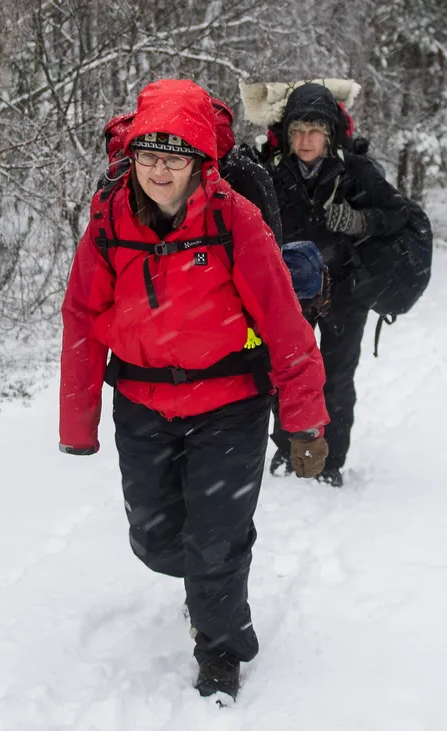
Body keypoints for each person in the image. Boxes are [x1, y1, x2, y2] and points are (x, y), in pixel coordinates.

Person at [59, 79, 329, 702]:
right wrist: (79, 423)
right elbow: (81, 317)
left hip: (230, 404)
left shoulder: (237, 219)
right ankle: (211, 578)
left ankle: (221, 648)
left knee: (215, 539)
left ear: (200, 163)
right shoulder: (108, 220)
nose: (158, 171)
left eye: (173, 159)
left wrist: (305, 422)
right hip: (142, 404)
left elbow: (286, 325)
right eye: (148, 158)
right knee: (154, 541)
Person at [262, 82, 414, 488]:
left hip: (345, 293)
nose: (305, 140)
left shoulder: (356, 170)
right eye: (297, 131)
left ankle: (329, 461)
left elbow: (397, 215)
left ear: (329, 134)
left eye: (313, 131)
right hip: (291, 295)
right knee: (288, 376)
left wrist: (359, 221)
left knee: (336, 378)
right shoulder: (272, 172)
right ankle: (289, 449)